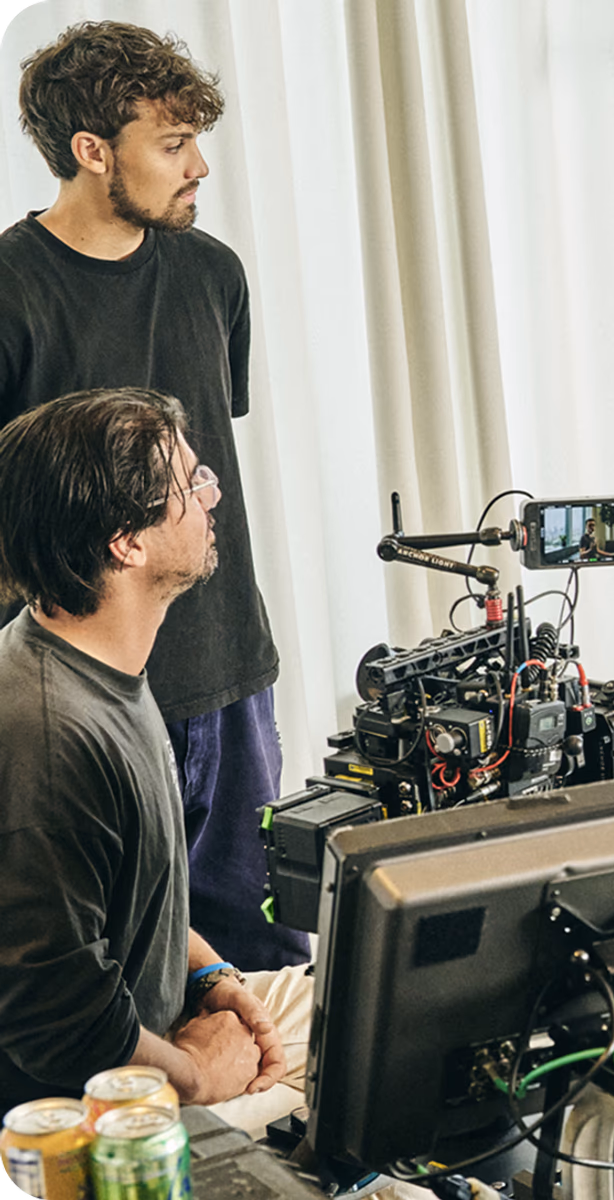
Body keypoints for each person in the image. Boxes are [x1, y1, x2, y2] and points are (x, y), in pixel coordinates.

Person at [0, 20, 307, 971]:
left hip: (229, 678)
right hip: (80, 696)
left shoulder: (213, 275)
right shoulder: (9, 294)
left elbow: (204, 468)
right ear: (93, 152)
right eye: (171, 145)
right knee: (114, 972)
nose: (199, 166)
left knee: (259, 967)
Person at [0, 388, 297, 1117]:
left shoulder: (92, 661)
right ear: (125, 543)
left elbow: (124, 905)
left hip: (164, 1029)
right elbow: (55, 1023)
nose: (214, 494)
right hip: (109, 1107)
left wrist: (213, 975)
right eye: (192, 483)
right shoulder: (49, 738)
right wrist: (196, 1074)